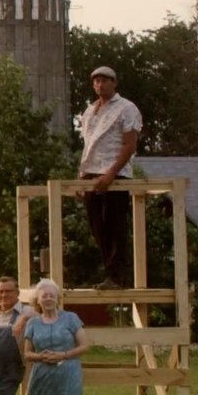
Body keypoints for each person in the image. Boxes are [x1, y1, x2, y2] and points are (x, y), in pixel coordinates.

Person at [79, 65, 142, 290]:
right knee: (97, 226)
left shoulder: (127, 108)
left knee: (115, 224)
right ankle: (110, 273)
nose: (100, 84)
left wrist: (111, 174)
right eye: (96, 81)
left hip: (116, 173)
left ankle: (118, 276)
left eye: (105, 80)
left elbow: (129, 144)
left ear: (114, 83)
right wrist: (81, 177)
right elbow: (88, 146)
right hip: (92, 172)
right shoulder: (89, 111)